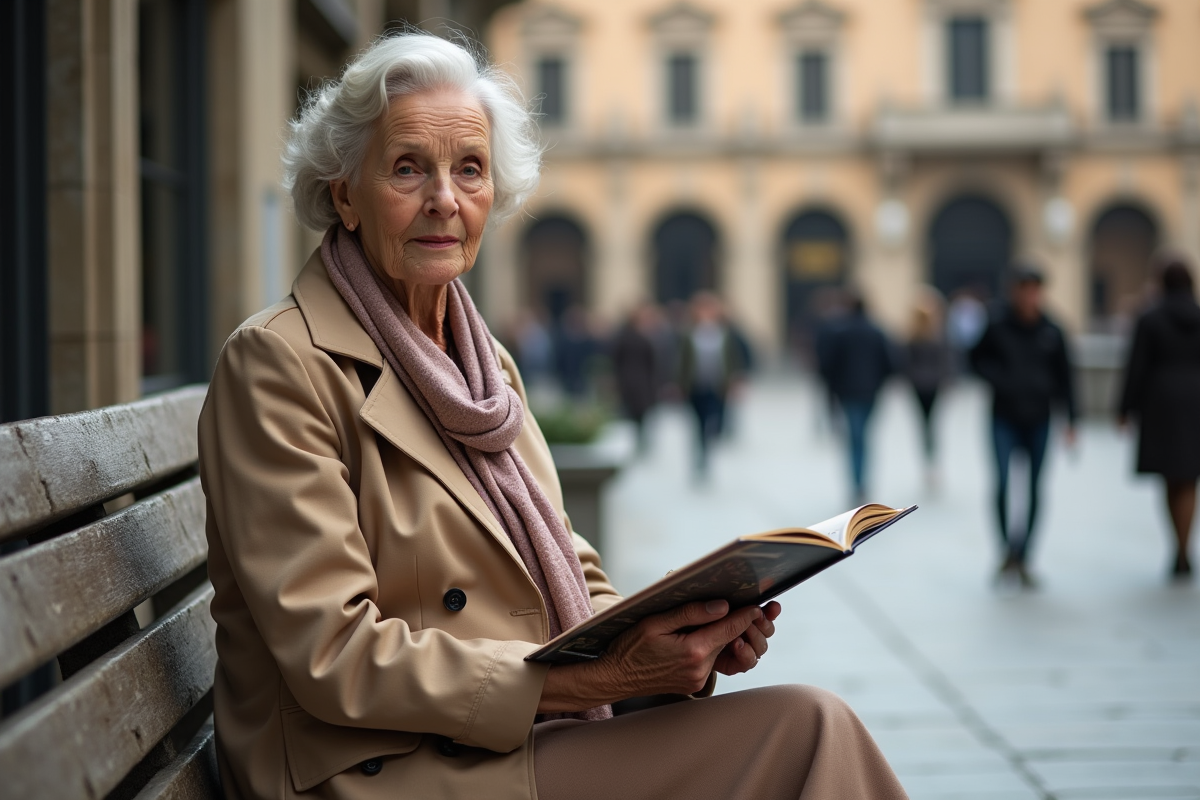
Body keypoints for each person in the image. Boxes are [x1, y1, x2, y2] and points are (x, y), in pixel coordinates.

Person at [197, 33, 907, 800]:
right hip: (373, 769)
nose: (444, 198)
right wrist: (596, 679)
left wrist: (677, 645)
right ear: (344, 194)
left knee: (805, 725)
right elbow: (333, 655)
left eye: (469, 169)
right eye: (408, 168)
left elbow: (572, 565)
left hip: (500, 736)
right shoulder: (277, 364)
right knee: (806, 730)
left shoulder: (481, 362)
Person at [970, 266, 1077, 587]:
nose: (1029, 296)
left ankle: (1026, 554)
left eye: (1034, 289)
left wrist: (1072, 419)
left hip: (1040, 418)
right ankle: (1007, 549)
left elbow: (1066, 378)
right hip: (1003, 416)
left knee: (1034, 488)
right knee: (1002, 483)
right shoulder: (997, 325)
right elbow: (975, 359)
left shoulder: (1052, 330)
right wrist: (1000, 381)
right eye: (1024, 289)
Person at [1118, 257, 1200, 580]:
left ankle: (1177, 547)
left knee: (1170, 476)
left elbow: (1136, 367)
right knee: (1190, 476)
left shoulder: (1150, 318)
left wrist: (1124, 409)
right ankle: (1184, 546)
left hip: (1162, 401)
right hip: (1196, 400)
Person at [817, 291, 894, 506]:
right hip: (870, 392)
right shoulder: (877, 331)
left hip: (848, 392)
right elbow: (890, 363)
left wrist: (833, 388)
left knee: (855, 437)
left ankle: (857, 483)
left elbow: (828, 365)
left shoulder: (840, 332)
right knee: (864, 437)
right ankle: (862, 483)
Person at [678, 292, 745, 480]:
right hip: (696, 386)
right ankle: (702, 458)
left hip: (718, 386)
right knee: (698, 424)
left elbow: (734, 359)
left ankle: (708, 447)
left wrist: (737, 380)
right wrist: (678, 384)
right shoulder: (688, 334)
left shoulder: (725, 333)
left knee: (716, 422)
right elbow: (682, 362)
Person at [900, 290, 952, 491]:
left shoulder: (914, 335)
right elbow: (945, 362)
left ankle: (929, 460)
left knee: (925, 423)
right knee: (931, 423)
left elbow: (906, 363)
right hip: (931, 384)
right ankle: (931, 461)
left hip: (920, 384)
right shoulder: (935, 335)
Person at [612, 303, 660, 452]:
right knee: (637, 413)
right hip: (637, 381)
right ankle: (640, 440)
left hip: (635, 380)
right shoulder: (636, 337)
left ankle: (640, 439)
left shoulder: (626, 336)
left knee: (639, 413)